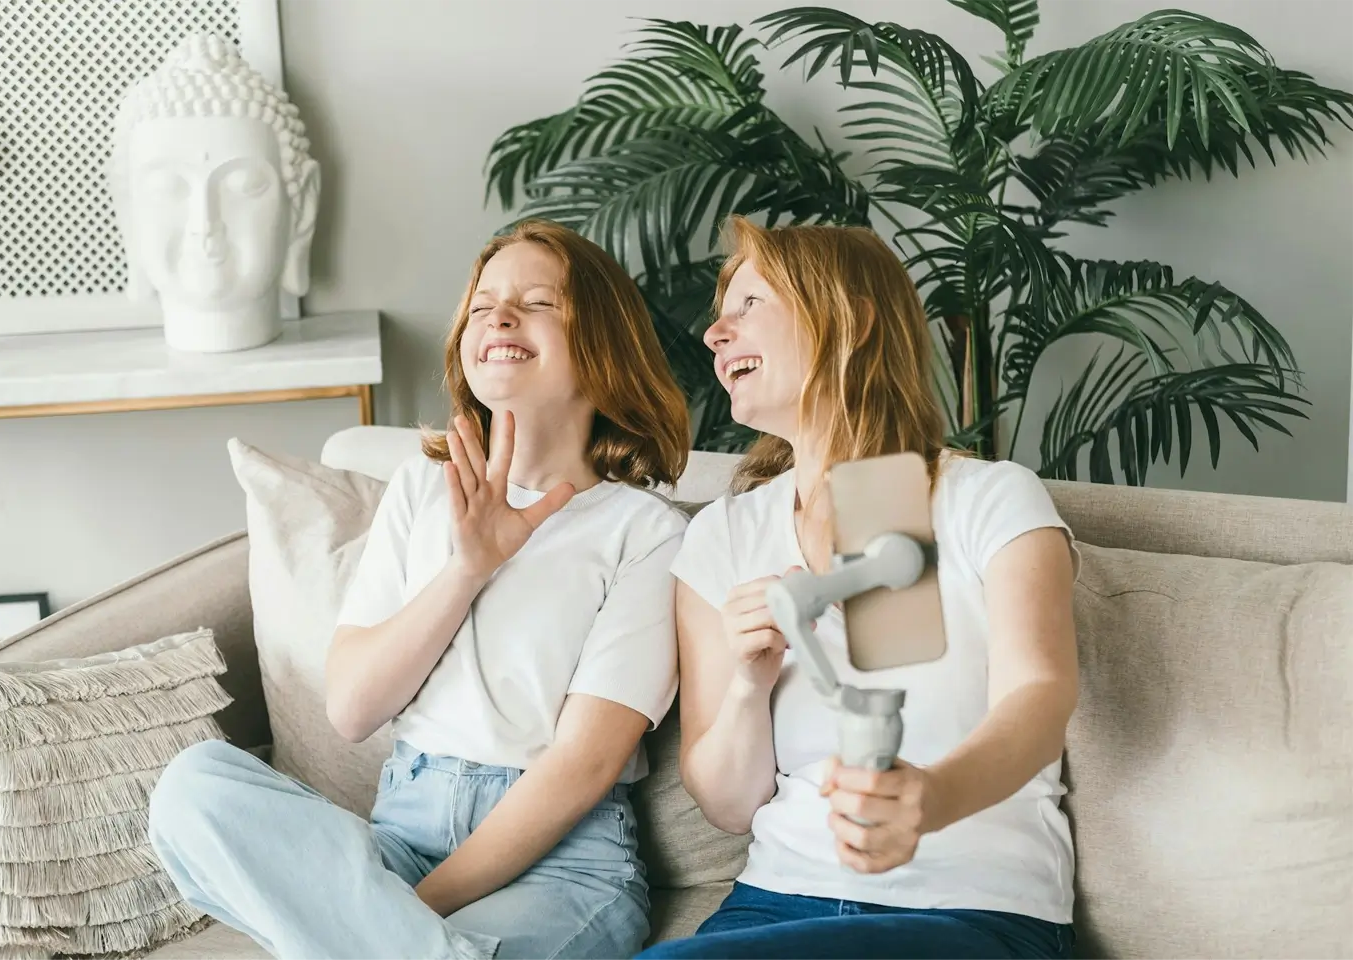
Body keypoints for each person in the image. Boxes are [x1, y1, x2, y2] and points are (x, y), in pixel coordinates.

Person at [148, 219, 693, 960]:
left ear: (604, 348)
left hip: (563, 866)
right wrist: (468, 566)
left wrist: (396, 914)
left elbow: (583, 767)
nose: (499, 316)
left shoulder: (644, 530)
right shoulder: (419, 490)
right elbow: (353, 707)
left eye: (537, 303)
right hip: (396, 838)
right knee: (194, 786)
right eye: (481, 306)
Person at [637, 217, 1080, 960]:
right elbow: (727, 805)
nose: (716, 333)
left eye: (750, 303)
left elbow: (1041, 696)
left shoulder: (988, 498)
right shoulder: (727, 534)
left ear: (850, 319)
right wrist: (749, 684)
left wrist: (931, 800)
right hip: (773, 904)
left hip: (972, 910)